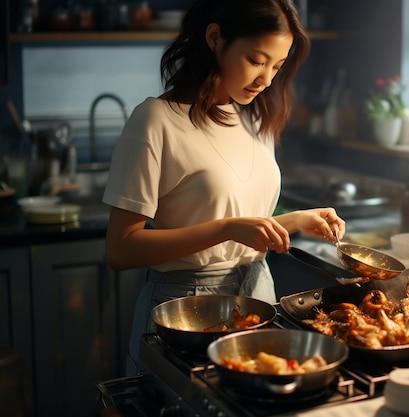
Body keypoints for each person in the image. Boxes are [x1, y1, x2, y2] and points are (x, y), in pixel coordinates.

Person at [102, 0, 345, 375]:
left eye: (277, 66)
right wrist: (226, 229)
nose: (266, 79)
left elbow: (240, 219)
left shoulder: (251, 117)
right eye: (256, 60)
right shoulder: (155, 121)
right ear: (215, 38)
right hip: (187, 308)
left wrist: (293, 221)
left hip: (258, 296)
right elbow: (120, 248)